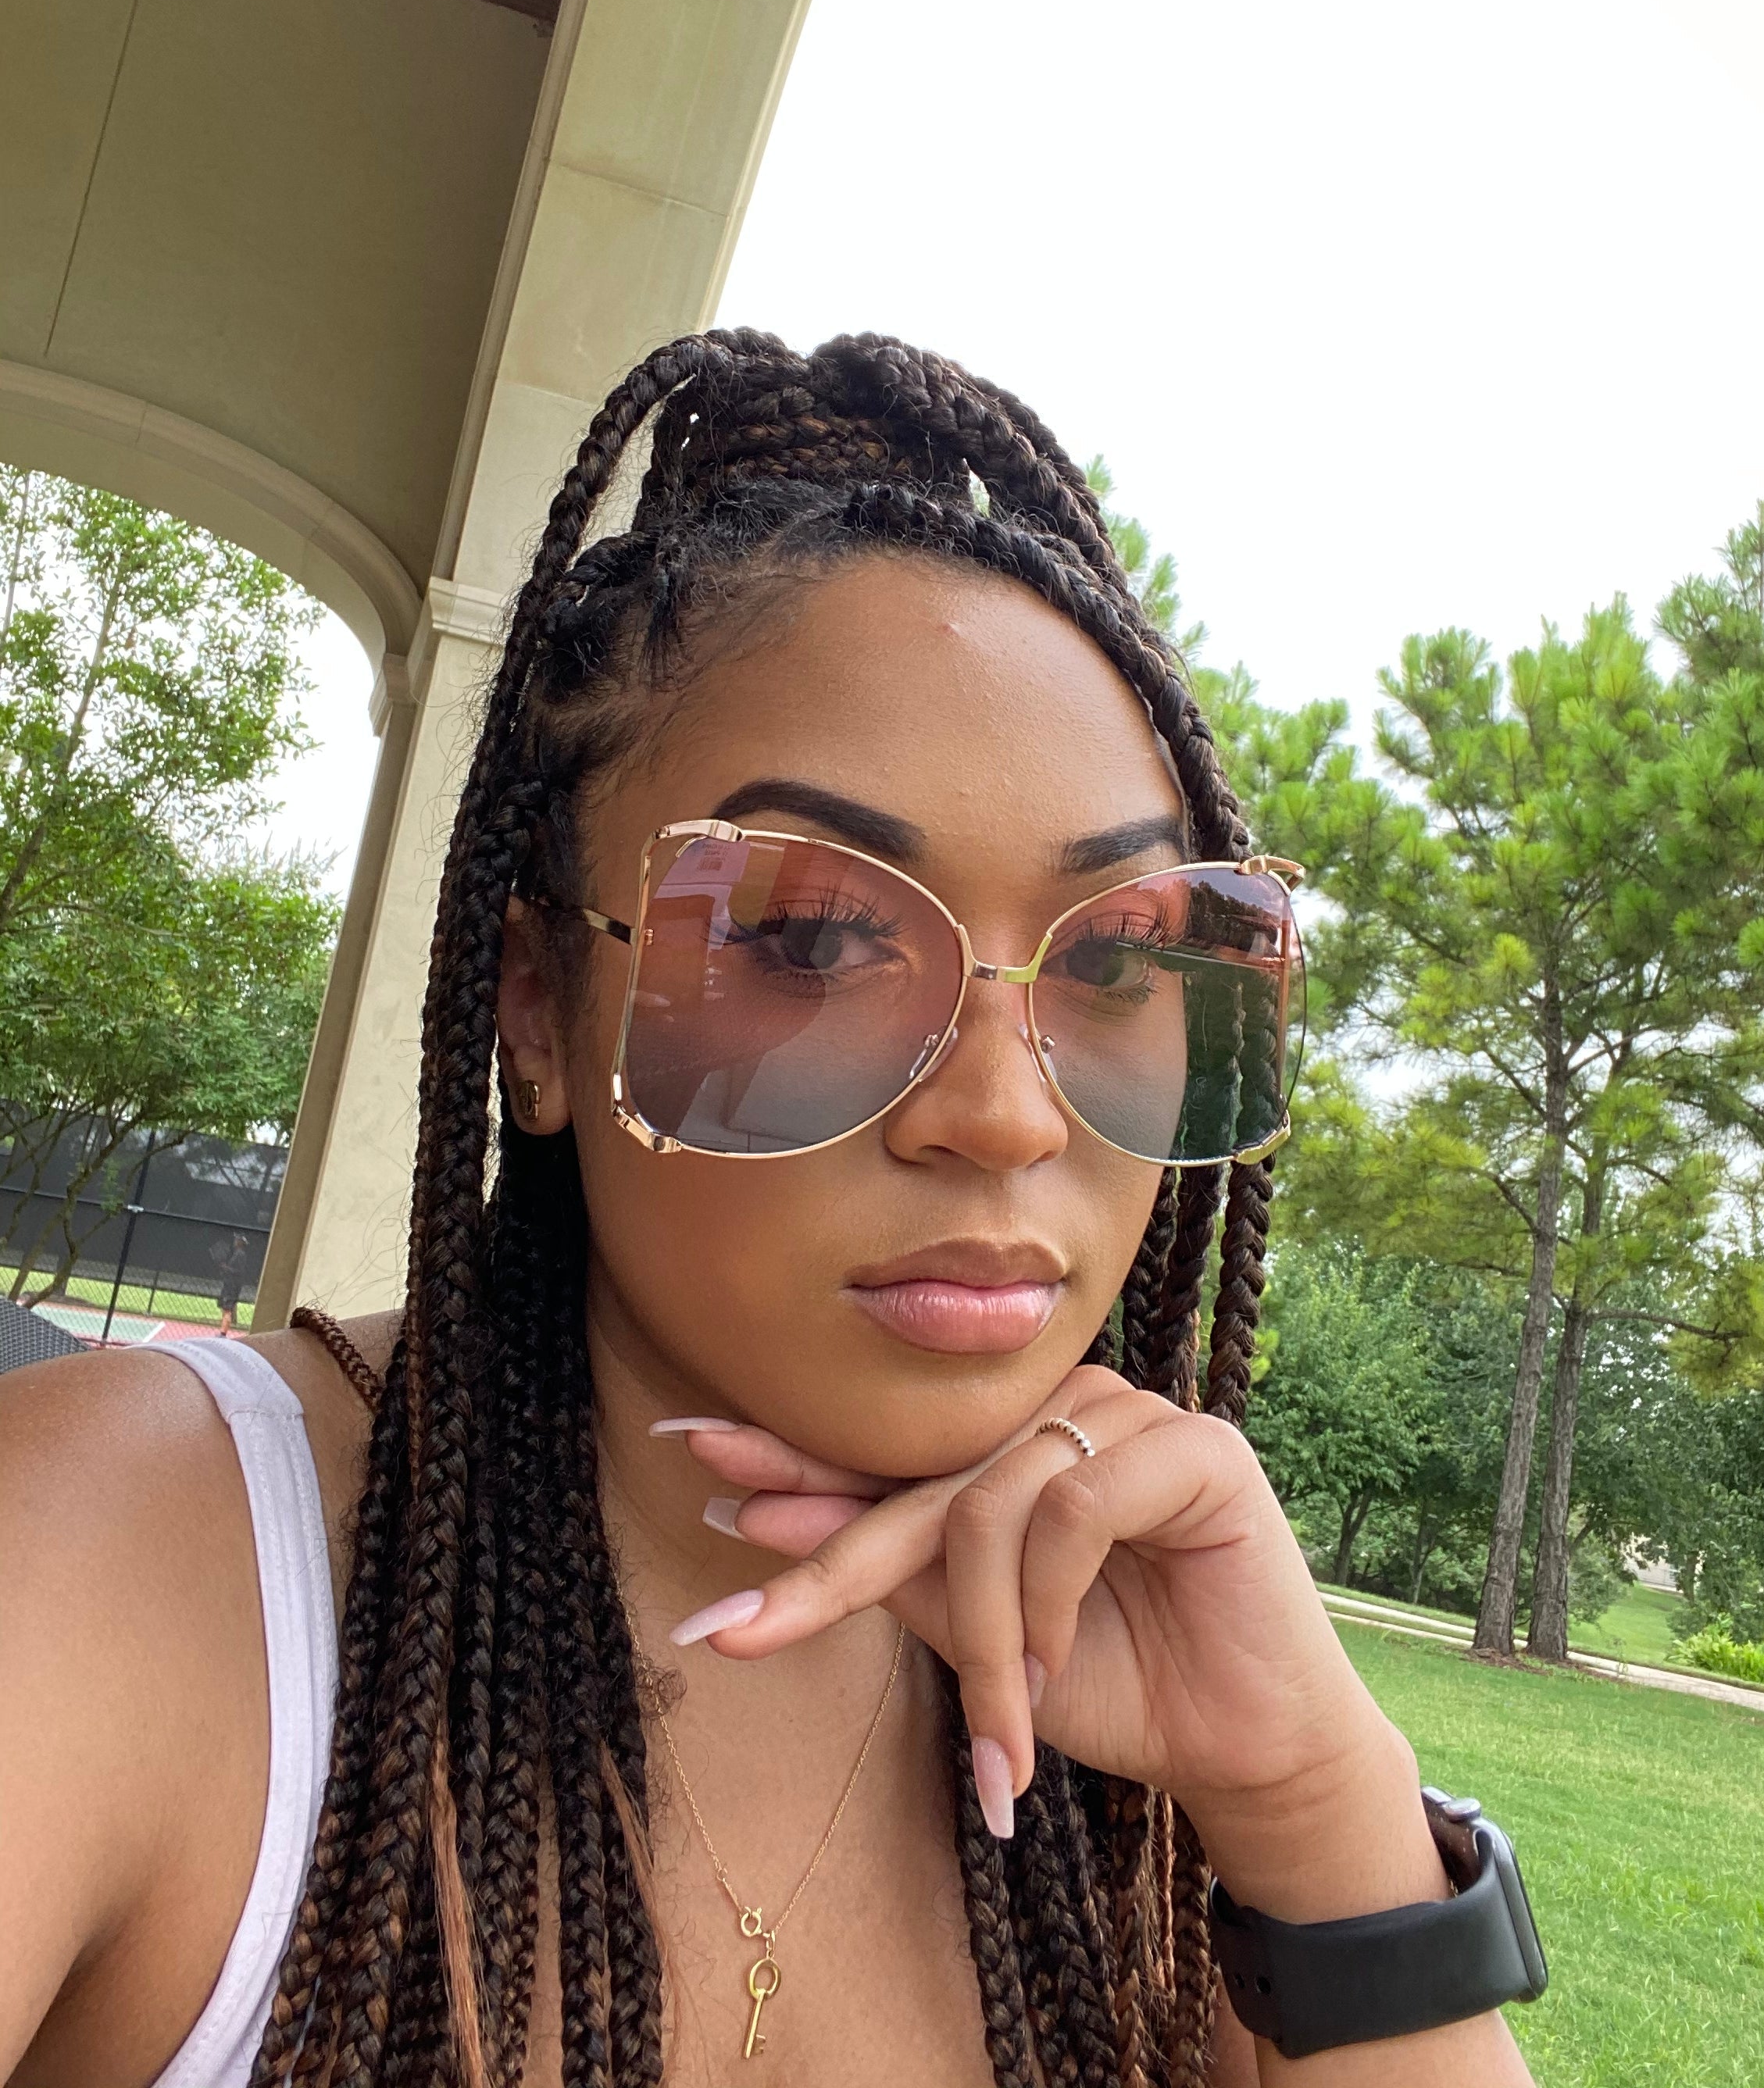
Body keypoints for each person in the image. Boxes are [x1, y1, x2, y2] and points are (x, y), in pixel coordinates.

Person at [0, 333, 1543, 2088]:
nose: (1005, 1112)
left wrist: (1317, 1804)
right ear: (536, 1010)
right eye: (808, 937)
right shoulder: (118, 1564)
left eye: (1121, 959)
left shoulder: (1171, 1831)